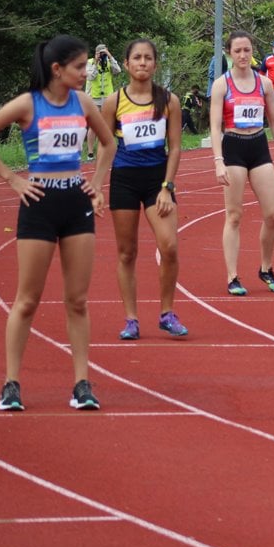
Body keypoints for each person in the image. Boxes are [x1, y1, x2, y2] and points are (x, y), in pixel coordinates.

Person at [0, 35, 116, 411]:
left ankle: (82, 384)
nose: (85, 72)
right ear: (57, 69)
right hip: (38, 203)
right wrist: (12, 178)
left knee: (77, 300)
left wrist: (98, 183)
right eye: (79, 67)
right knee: (27, 300)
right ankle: (11, 384)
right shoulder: (29, 104)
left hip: (76, 202)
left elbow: (108, 144)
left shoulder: (83, 102)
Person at [100, 39, 187, 341]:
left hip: (157, 180)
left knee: (170, 246)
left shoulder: (168, 100)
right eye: (136, 58)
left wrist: (167, 186)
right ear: (126, 64)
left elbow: (175, 147)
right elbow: (105, 144)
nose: (142, 63)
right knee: (127, 252)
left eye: (148, 58)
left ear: (155, 64)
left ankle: (166, 313)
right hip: (124, 179)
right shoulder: (114, 101)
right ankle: (131, 319)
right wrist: (97, 185)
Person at [209, 30, 274, 295]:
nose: (243, 55)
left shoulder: (264, 83)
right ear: (229, 54)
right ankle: (233, 276)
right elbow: (214, 126)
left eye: (247, 50)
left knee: (273, 215)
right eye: (237, 51)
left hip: (258, 146)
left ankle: (266, 268)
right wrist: (218, 161)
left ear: (252, 51)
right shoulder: (222, 85)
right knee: (234, 215)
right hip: (233, 147)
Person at [84, 43, 120, 160]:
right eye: (100, 52)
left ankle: (108, 151)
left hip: (108, 98)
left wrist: (110, 57)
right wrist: (96, 62)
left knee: (109, 125)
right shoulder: (90, 63)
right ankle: (90, 153)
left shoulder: (109, 61)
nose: (102, 54)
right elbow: (90, 77)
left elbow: (117, 71)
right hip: (93, 98)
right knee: (94, 126)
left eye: (103, 52)